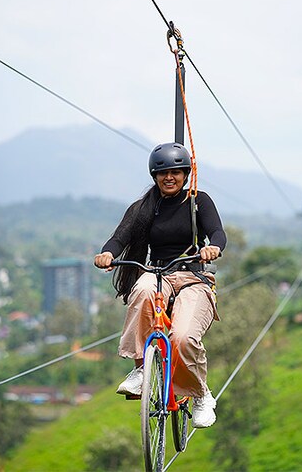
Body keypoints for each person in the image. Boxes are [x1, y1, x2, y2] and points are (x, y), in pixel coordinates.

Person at [94, 142, 227, 429]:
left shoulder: (198, 201)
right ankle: (141, 367)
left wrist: (213, 247)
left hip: (193, 277)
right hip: (158, 274)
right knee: (141, 288)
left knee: (181, 337)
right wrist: (107, 253)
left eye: (176, 172)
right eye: (163, 172)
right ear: (154, 176)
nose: (170, 177)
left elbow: (217, 232)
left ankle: (202, 395)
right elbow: (120, 237)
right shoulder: (144, 208)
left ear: (185, 174)